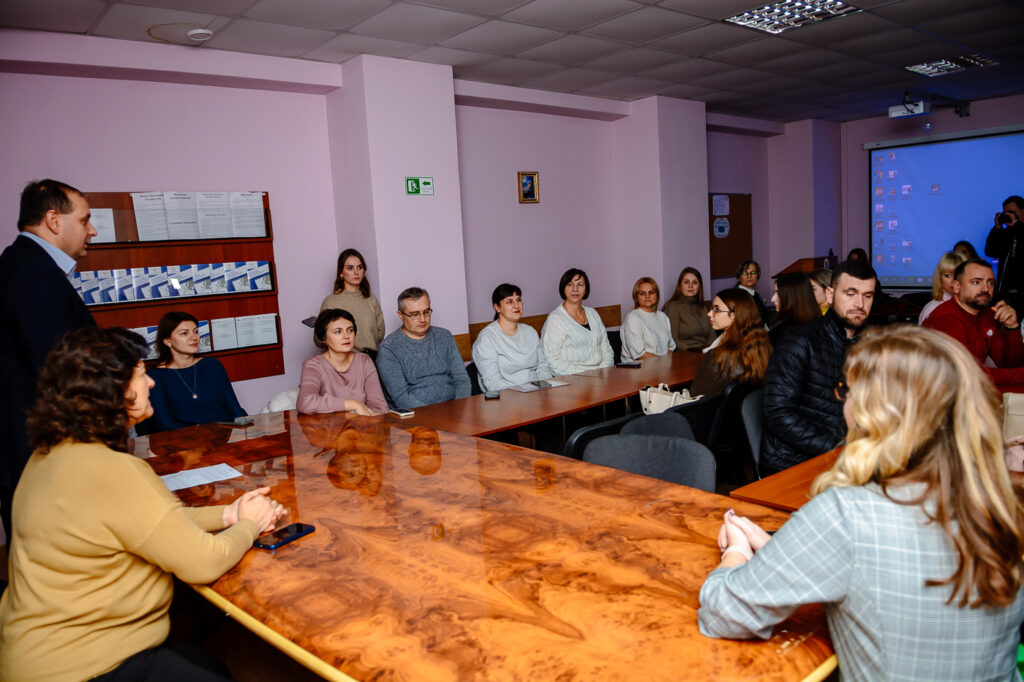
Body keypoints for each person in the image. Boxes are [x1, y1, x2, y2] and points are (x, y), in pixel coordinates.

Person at [699, 325, 1024, 681]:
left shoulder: (849, 514)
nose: (844, 403)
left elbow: (723, 613)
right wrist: (789, 550)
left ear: (875, 411)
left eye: (848, 391)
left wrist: (738, 554)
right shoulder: (1004, 503)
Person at [0, 326, 286, 680]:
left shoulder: (48, 455)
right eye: (140, 373)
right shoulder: (113, 470)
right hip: (81, 666)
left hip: (35, 653)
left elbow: (152, 522)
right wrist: (250, 525)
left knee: (209, 665)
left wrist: (228, 513)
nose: (150, 382)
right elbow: (205, 562)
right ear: (113, 391)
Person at [0, 179, 97, 545]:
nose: (92, 230)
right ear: (54, 220)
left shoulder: (22, 264)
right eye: (85, 221)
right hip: (36, 451)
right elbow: (57, 369)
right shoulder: (33, 275)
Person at [760, 260, 877, 475]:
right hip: (793, 463)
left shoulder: (874, 344)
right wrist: (839, 449)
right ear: (831, 295)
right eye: (850, 294)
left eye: (867, 296)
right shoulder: (799, 343)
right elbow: (777, 413)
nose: (859, 303)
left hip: (849, 458)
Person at [922, 258, 1024, 391]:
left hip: (967, 389)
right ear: (956, 287)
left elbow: (1008, 363)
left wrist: (1012, 327)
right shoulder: (947, 318)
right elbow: (968, 373)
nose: (985, 289)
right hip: (938, 395)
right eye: (976, 282)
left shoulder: (987, 314)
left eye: (990, 283)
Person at [141, 311, 246, 433]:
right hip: (181, 444)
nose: (194, 337)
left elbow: (234, 409)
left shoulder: (212, 365)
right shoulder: (155, 376)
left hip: (221, 439)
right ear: (167, 341)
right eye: (184, 333)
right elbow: (165, 424)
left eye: (196, 331)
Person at [377, 287, 471, 409]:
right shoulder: (389, 348)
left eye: (426, 312)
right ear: (401, 315)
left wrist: (459, 408)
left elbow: (461, 380)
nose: (423, 319)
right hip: (418, 416)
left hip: (455, 409)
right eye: (415, 314)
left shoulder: (444, 337)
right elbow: (401, 397)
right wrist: (435, 417)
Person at [297, 308, 388, 415]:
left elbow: (381, 408)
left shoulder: (364, 361)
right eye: (338, 332)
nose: (346, 336)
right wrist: (354, 405)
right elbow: (305, 402)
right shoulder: (313, 365)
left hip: (363, 428)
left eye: (350, 330)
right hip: (329, 430)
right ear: (324, 338)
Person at [471, 283, 552, 391]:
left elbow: (543, 368)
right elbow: (493, 383)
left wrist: (546, 390)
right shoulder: (487, 338)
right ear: (497, 307)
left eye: (518, 300)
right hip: (507, 398)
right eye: (509, 301)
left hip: (538, 393)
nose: (516, 305)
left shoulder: (530, 332)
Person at [689, 289, 770, 397]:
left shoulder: (717, 356)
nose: (709, 314)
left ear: (734, 315)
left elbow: (696, 398)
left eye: (716, 310)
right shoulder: (763, 348)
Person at [541, 268, 614, 376]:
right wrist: (586, 377)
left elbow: (607, 351)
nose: (575, 289)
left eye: (580, 284)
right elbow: (553, 360)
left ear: (586, 289)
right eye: (570, 284)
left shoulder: (593, 313)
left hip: (601, 376)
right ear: (563, 288)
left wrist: (602, 373)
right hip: (573, 380)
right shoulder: (556, 319)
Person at [319, 248, 385, 354]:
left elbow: (380, 333)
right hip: (344, 361)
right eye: (350, 268)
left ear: (364, 271)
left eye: (359, 267)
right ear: (341, 273)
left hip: (371, 360)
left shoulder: (371, 299)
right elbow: (319, 340)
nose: (356, 272)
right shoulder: (330, 302)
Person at [984, 195, 1024, 314]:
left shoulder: (1019, 231)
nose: (1008, 215)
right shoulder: (1007, 233)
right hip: (1004, 293)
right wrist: (997, 228)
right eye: (1005, 212)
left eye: (1012, 212)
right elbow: (990, 251)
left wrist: (1017, 225)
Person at [621, 277, 676, 361]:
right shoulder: (632, 318)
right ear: (636, 297)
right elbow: (639, 355)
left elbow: (671, 347)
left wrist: (665, 365)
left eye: (651, 292)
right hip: (639, 369)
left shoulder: (663, 316)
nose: (647, 296)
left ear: (657, 295)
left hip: (662, 367)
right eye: (642, 293)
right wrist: (663, 362)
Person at [662, 267, 715, 351]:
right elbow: (673, 339)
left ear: (699, 286)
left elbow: (712, 335)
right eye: (686, 282)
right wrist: (694, 352)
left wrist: (708, 350)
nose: (690, 286)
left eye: (695, 283)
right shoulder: (673, 306)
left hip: (705, 352)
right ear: (680, 285)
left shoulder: (705, 308)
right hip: (684, 353)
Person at [768, 272, 819, 346]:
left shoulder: (784, 334)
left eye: (778, 293)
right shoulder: (819, 325)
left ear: (793, 297)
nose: (772, 299)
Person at [918, 251, 966, 324]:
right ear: (939, 277)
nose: (953, 280)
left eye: (958, 274)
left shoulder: (973, 307)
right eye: (948, 275)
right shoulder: (932, 308)